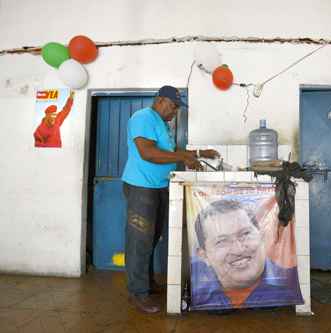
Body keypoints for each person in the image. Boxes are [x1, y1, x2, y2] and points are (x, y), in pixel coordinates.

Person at [121, 85, 219, 314]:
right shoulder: (143, 117)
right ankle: (138, 293)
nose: (175, 112)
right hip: (141, 187)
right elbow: (148, 153)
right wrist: (183, 157)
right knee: (139, 241)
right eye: (173, 107)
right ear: (160, 100)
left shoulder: (162, 124)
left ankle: (146, 283)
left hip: (159, 187)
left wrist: (199, 154)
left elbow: (172, 149)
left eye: (177, 108)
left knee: (152, 238)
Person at [191, 199, 303, 311]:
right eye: (222, 241)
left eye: (245, 234)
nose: (238, 250)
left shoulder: (290, 283)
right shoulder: (198, 296)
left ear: (262, 235)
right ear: (204, 256)